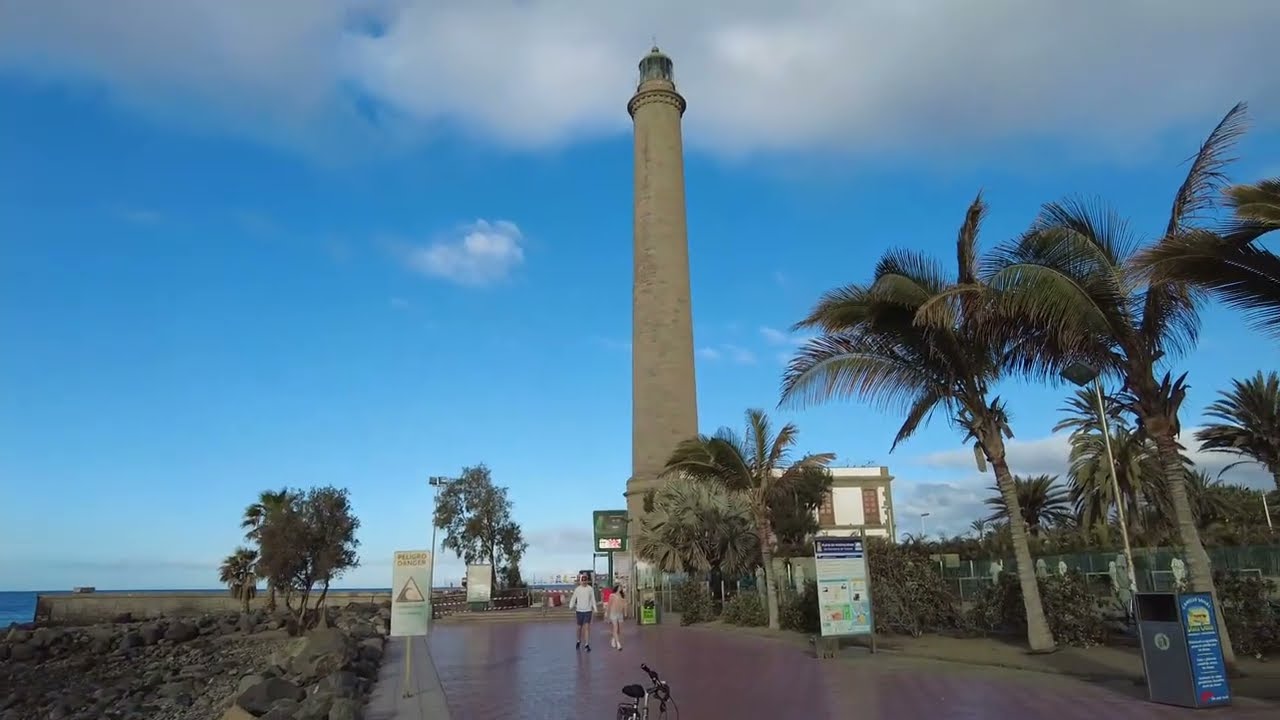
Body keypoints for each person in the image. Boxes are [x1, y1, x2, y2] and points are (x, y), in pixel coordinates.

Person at [569, 574, 597, 651]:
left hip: (588, 611)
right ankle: (578, 641)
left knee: (587, 627)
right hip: (579, 611)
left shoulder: (590, 589)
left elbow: (593, 599)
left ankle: (586, 644)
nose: (584, 582)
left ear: (587, 581)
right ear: (581, 581)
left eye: (585, 580)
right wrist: (571, 605)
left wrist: (595, 608)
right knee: (579, 627)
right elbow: (573, 598)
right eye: (583, 580)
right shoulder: (577, 589)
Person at [606, 585, 628, 650]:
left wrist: (625, 613)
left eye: (621, 587)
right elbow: (609, 605)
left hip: (620, 613)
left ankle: (613, 639)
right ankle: (618, 644)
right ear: (616, 588)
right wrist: (607, 615)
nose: (620, 588)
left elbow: (625, 604)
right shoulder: (612, 595)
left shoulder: (622, 595)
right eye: (619, 587)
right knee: (615, 628)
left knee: (619, 630)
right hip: (613, 613)